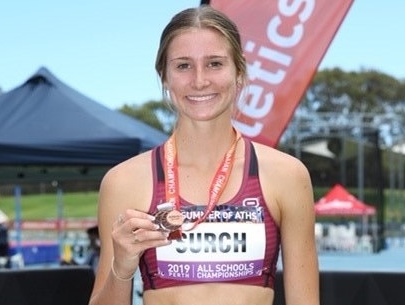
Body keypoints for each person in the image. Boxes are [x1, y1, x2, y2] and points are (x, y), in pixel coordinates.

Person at [89, 5, 319, 305]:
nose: (199, 80)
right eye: (183, 65)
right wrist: (121, 268)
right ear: (164, 77)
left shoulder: (286, 176)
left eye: (214, 63)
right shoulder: (124, 182)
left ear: (239, 73)